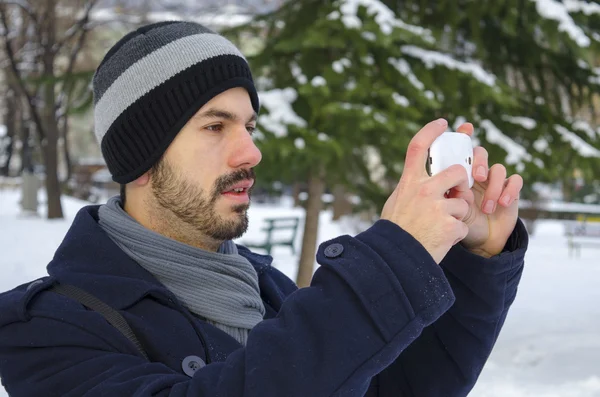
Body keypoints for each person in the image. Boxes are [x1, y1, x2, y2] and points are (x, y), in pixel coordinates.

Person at [0, 21, 527, 397]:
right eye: (214, 126)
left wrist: (477, 258)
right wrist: (393, 256)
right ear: (140, 159)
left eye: (249, 127)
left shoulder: (267, 288)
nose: (251, 152)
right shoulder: (49, 329)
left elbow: (398, 388)